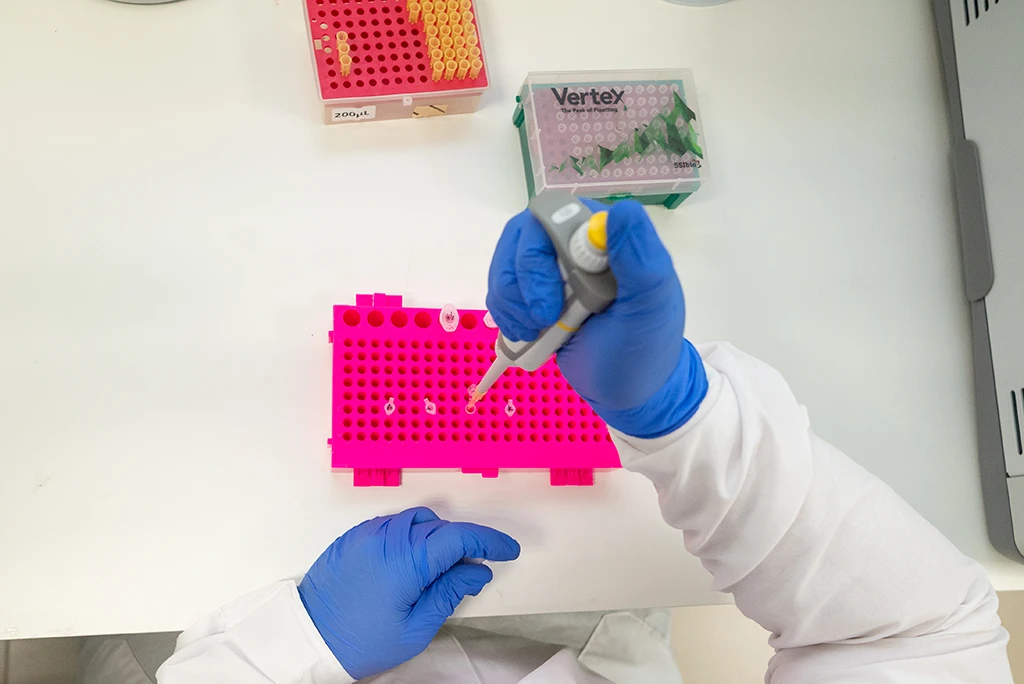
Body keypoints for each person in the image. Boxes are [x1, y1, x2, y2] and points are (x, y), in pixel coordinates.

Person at [88, 200, 1013, 683]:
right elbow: (920, 635)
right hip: (593, 642)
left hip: (222, 626)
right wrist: (682, 417)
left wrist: (283, 649)